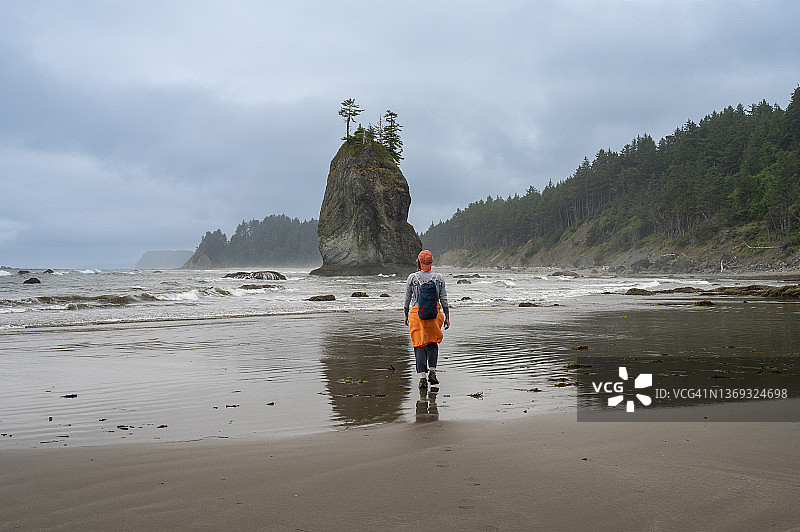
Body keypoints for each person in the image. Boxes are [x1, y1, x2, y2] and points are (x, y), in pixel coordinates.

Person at [404, 250, 450, 389]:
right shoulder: (439, 277)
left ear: (419, 261)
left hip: (416, 315)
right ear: (431, 262)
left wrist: (406, 314)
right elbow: (444, 299)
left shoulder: (412, 277)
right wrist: (447, 316)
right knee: (432, 343)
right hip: (433, 315)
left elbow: (407, 298)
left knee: (419, 345)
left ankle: (422, 378)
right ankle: (432, 372)